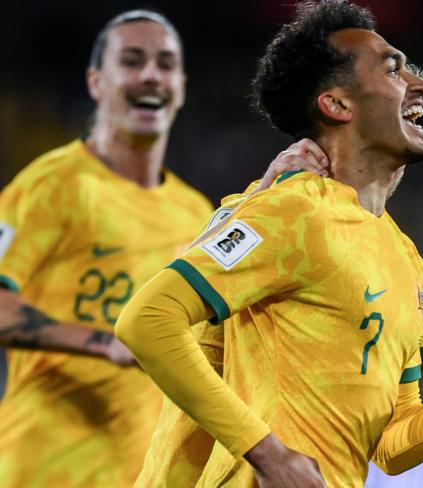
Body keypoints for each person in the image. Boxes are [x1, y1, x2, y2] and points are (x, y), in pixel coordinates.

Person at [114, 1, 423, 486]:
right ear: (338, 104)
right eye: (393, 69)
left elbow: (390, 445)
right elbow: (148, 319)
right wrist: (269, 454)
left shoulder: (400, 260)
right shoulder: (288, 207)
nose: (421, 83)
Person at [0, 9, 329, 487]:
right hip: (47, 470)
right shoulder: (52, 185)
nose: (151, 74)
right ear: (96, 81)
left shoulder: (189, 208)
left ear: (180, 85)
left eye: (165, 63)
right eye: (132, 61)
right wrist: (104, 342)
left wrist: (266, 194)